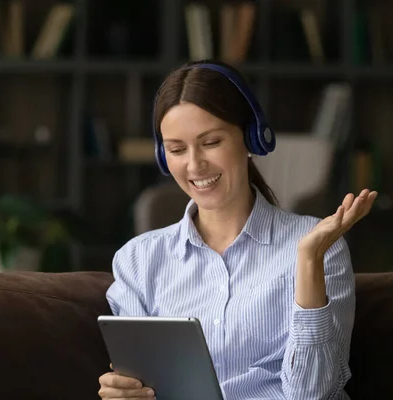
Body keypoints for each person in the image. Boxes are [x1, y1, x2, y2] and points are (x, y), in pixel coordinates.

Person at [98, 60, 377, 400]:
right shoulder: (137, 261)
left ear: (251, 138)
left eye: (211, 142)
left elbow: (311, 394)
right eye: (176, 149)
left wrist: (307, 261)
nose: (195, 164)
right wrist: (124, 393)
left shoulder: (320, 247)